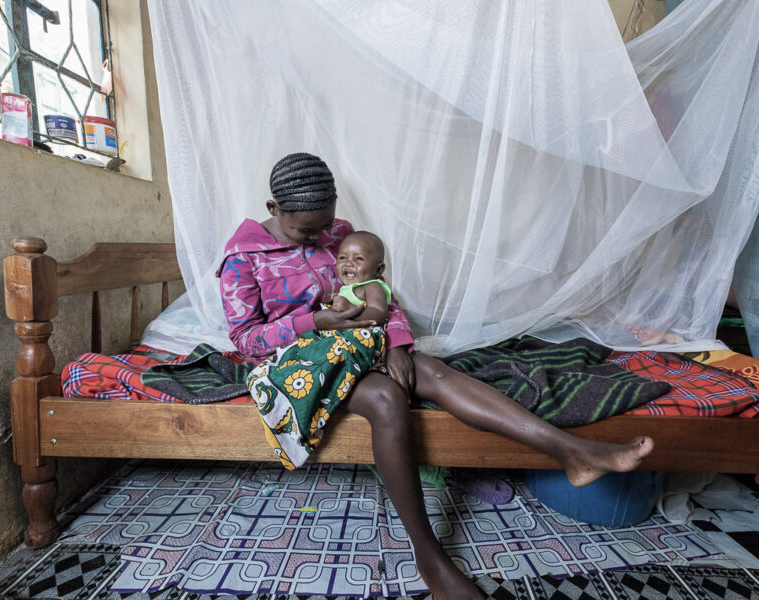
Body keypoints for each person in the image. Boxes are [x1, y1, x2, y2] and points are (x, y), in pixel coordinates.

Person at [218, 152, 654, 600]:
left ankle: (573, 453)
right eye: (305, 231)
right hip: (300, 361)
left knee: (433, 373)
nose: (319, 239)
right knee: (387, 398)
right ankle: (431, 561)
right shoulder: (242, 257)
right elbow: (246, 339)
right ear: (274, 210)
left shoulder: (343, 236)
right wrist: (316, 324)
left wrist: (401, 343)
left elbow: (380, 293)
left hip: (358, 343)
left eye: (324, 226)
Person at [328, 230, 392, 324]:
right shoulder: (345, 288)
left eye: (359, 258)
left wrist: (351, 309)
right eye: (342, 258)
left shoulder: (372, 286)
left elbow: (378, 314)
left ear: (378, 269)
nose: (348, 263)